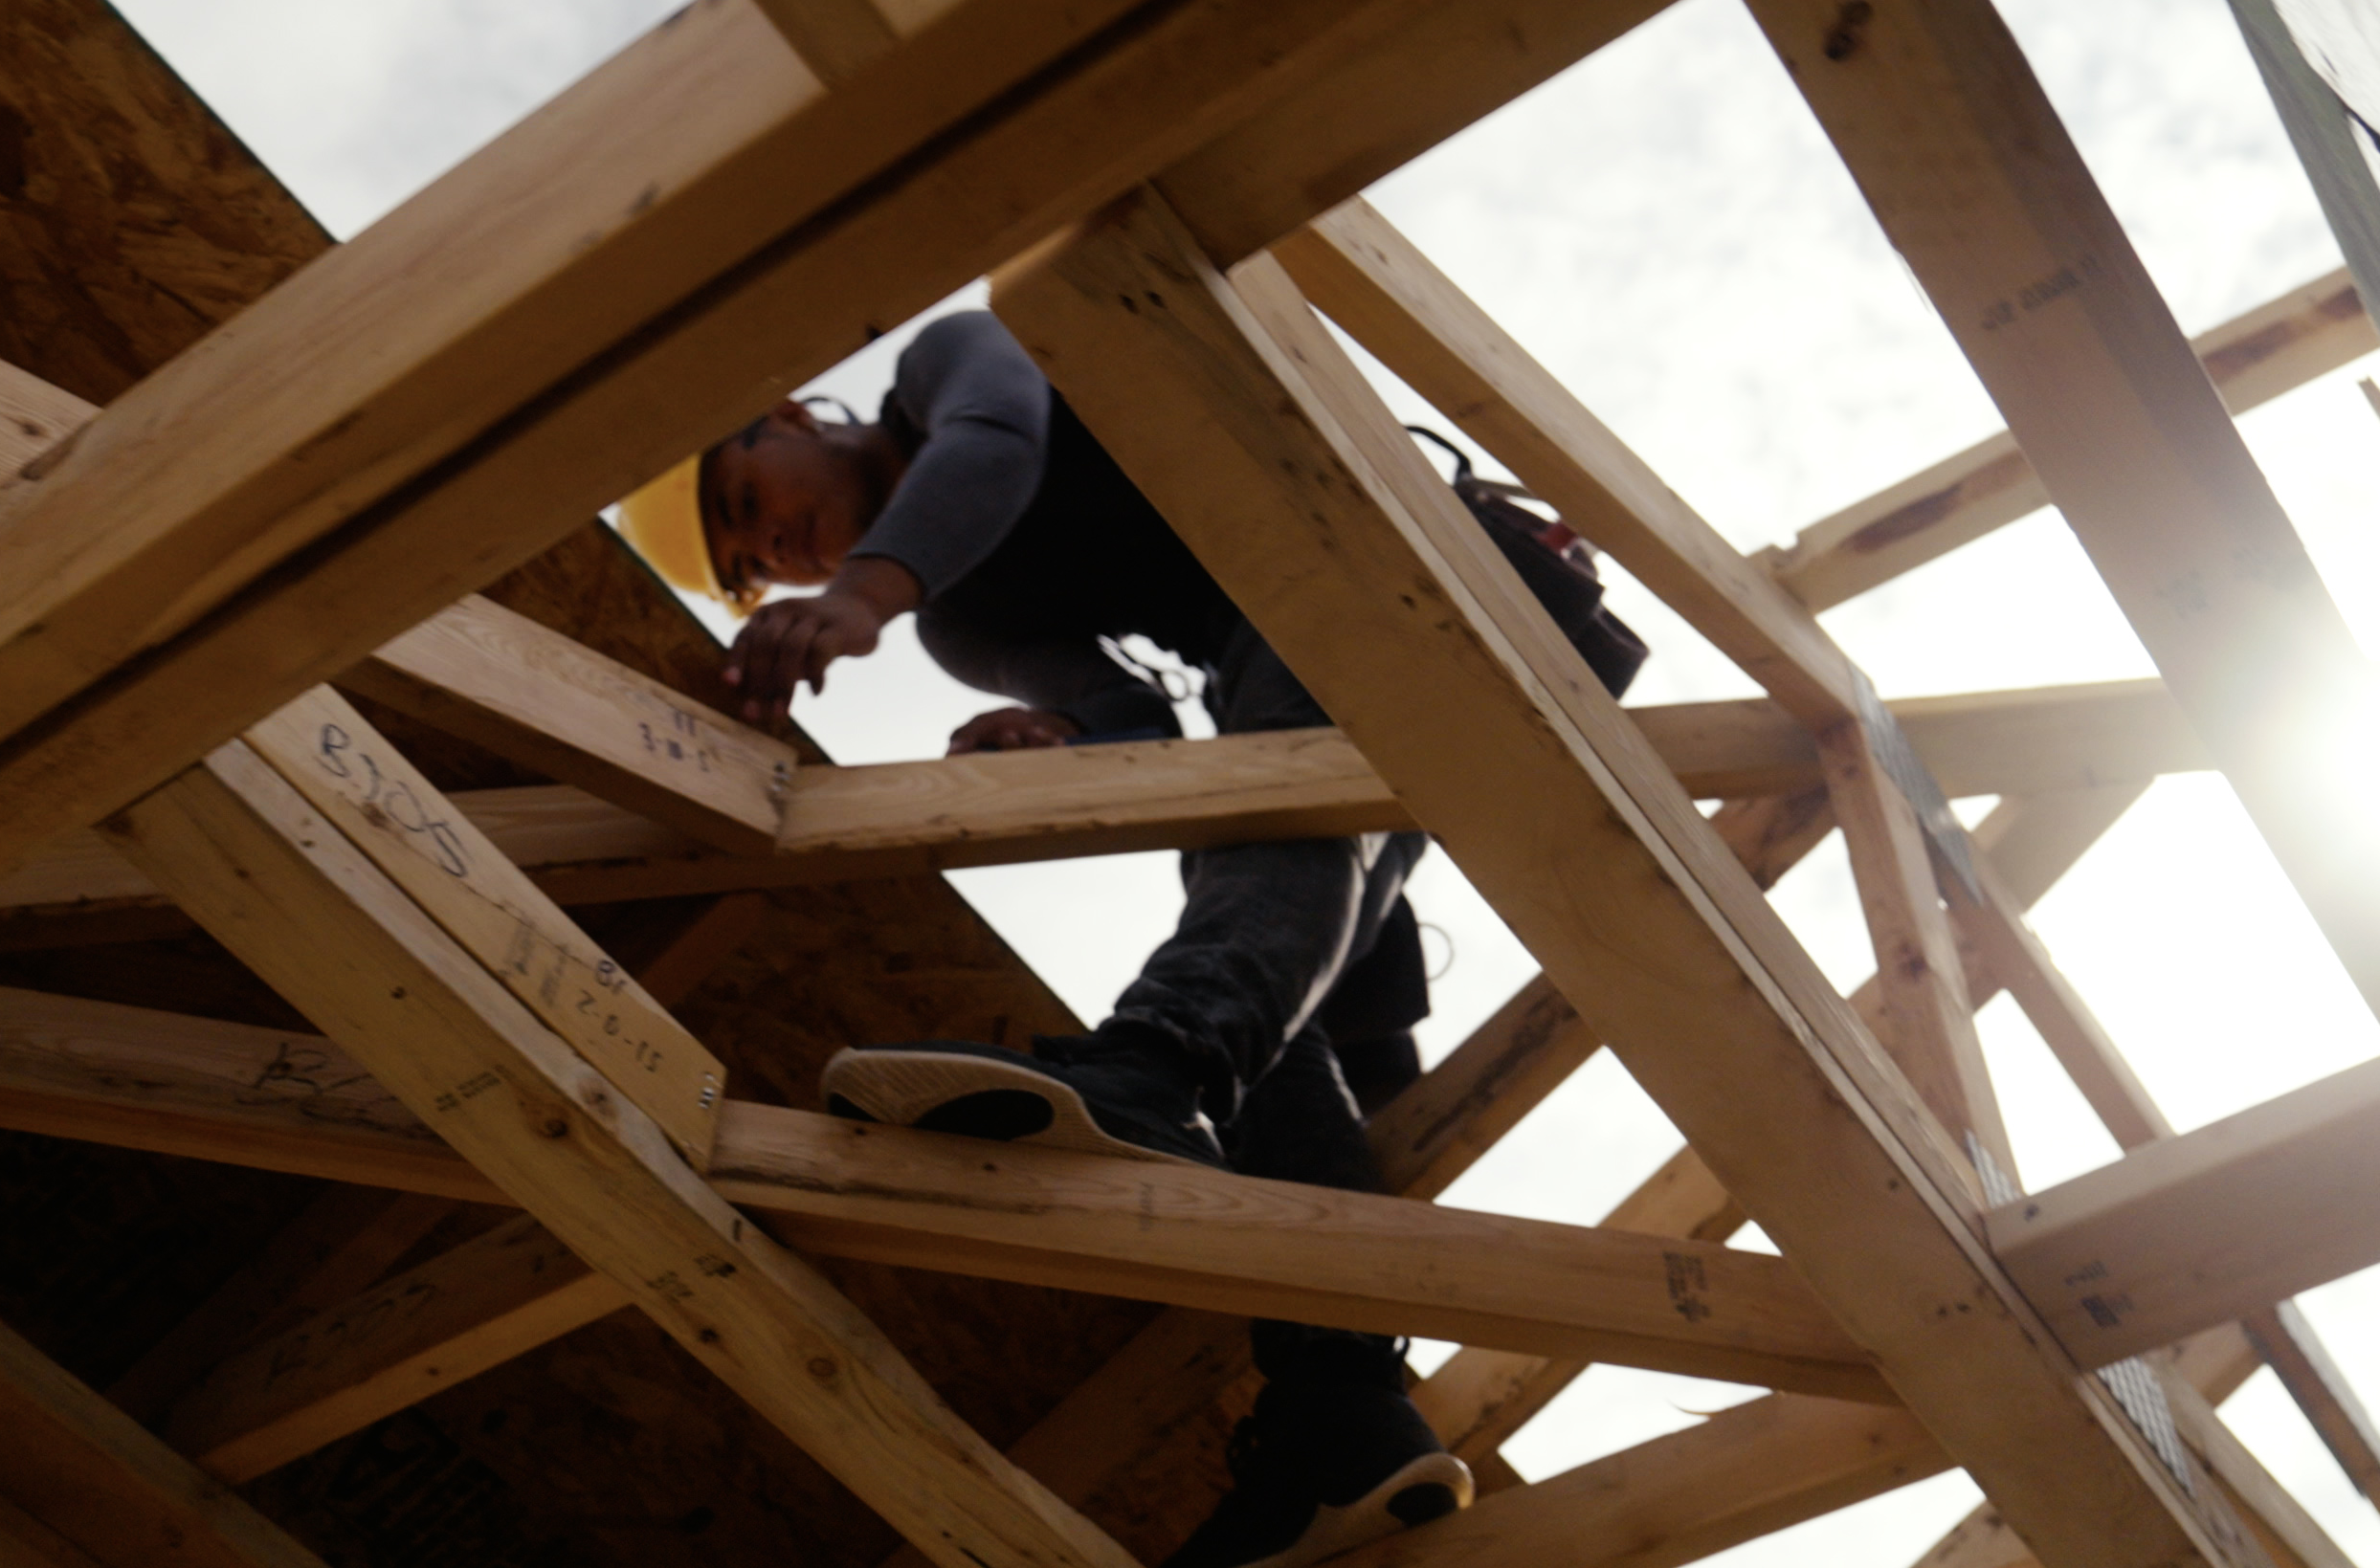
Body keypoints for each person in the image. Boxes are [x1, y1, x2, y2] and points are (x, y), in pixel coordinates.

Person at [618, 310, 1641, 1568]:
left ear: (785, 415)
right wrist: (1060, 744)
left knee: (1262, 835)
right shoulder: (958, 623)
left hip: (1387, 553)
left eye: (742, 494)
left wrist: (864, 594)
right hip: (1330, 662)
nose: (765, 543)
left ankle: (1165, 1065)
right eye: (742, 565)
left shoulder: (945, 373)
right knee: (1292, 998)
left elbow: (997, 437)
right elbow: (1141, 738)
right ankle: (1344, 1409)